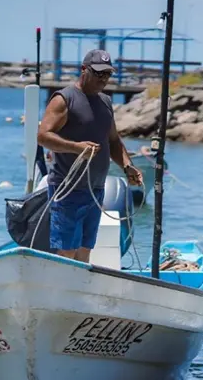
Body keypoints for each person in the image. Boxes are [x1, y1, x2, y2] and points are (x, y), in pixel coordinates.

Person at [37, 49, 143, 262]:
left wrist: (127, 166)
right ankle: (62, 292)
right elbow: (42, 136)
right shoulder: (64, 99)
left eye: (107, 74)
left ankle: (78, 293)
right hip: (68, 190)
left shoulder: (105, 101)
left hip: (95, 189)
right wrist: (76, 147)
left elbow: (113, 140)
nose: (103, 79)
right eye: (98, 73)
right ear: (84, 69)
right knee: (67, 252)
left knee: (85, 251)